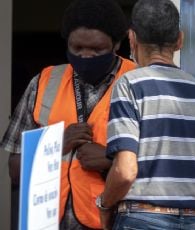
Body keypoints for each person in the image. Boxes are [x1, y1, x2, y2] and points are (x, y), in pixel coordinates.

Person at [0, 0, 136, 229]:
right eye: (77, 48)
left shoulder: (138, 82)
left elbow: (165, 169)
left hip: (116, 221)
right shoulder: (43, 83)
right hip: (52, 221)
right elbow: (14, 169)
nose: (86, 56)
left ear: (116, 44)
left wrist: (112, 162)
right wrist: (56, 145)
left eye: (97, 49)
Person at [96, 0, 195, 229]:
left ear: (132, 39)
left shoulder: (130, 85)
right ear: (180, 40)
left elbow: (125, 170)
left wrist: (104, 205)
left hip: (142, 218)